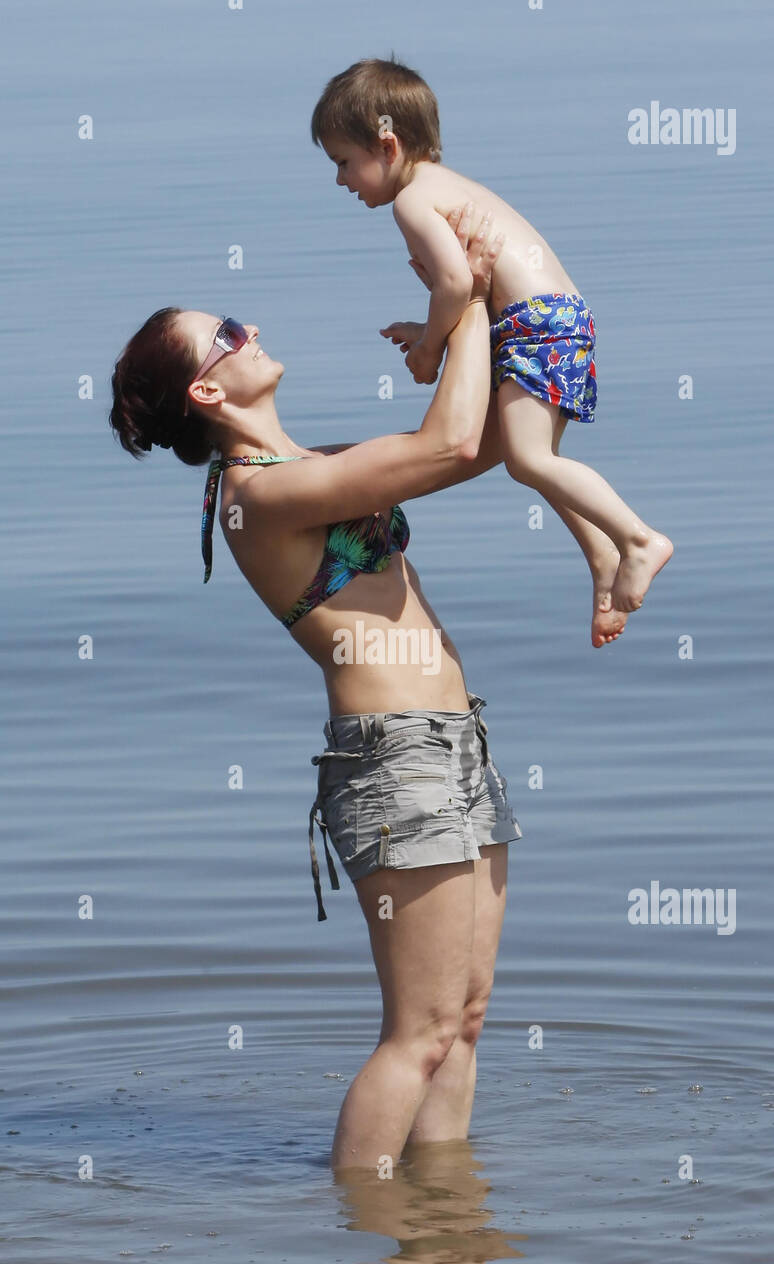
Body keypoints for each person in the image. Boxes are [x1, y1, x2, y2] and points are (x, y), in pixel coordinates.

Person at [109, 205, 523, 1173]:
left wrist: (517, 324)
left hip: (455, 739)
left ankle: (446, 1237)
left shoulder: (307, 466)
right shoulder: (257, 495)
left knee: (462, 1019)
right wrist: (459, 305)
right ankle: (368, 1229)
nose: (250, 330)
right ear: (209, 389)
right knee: (415, 1030)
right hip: (394, 758)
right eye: (229, 334)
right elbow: (450, 444)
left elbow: (485, 444)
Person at [311, 56, 675, 648]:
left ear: (387, 144)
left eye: (343, 162)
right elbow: (465, 288)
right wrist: (423, 324)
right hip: (547, 319)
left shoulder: (411, 203)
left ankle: (638, 539)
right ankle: (601, 561)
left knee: (528, 460)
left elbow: (456, 285)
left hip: (536, 326)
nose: (340, 180)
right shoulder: (443, 183)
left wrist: (430, 350)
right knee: (538, 459)